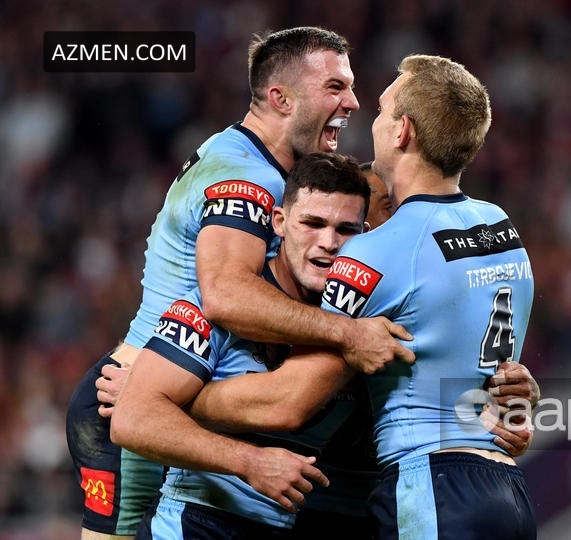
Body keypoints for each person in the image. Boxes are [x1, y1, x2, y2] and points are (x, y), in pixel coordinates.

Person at [66, 26, 413, 540]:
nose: (353, 102)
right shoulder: (251, 179)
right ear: (281, 98)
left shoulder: (239, 151)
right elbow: (226, 295)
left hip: (162, 380)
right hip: (136, 392)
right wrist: (347, 333)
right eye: (335, 87)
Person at [188, 54, 539, 539]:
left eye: (381, 110)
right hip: (508, 490)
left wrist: (184, 400)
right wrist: (521, 400)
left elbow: (290, 401)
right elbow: (491, 367)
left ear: (402, 132)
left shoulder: (376, 252)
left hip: (432, 488)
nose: (368, 119)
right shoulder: (500, 226)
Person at [111, 152, 374, 538]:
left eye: (345, 229)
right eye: (313, 223)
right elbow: (132, 419)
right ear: (280, 222)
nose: (329, 243)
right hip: (195, 522)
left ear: (366, 233)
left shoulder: (364, 319)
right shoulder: (216, 307)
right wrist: (249, 461)